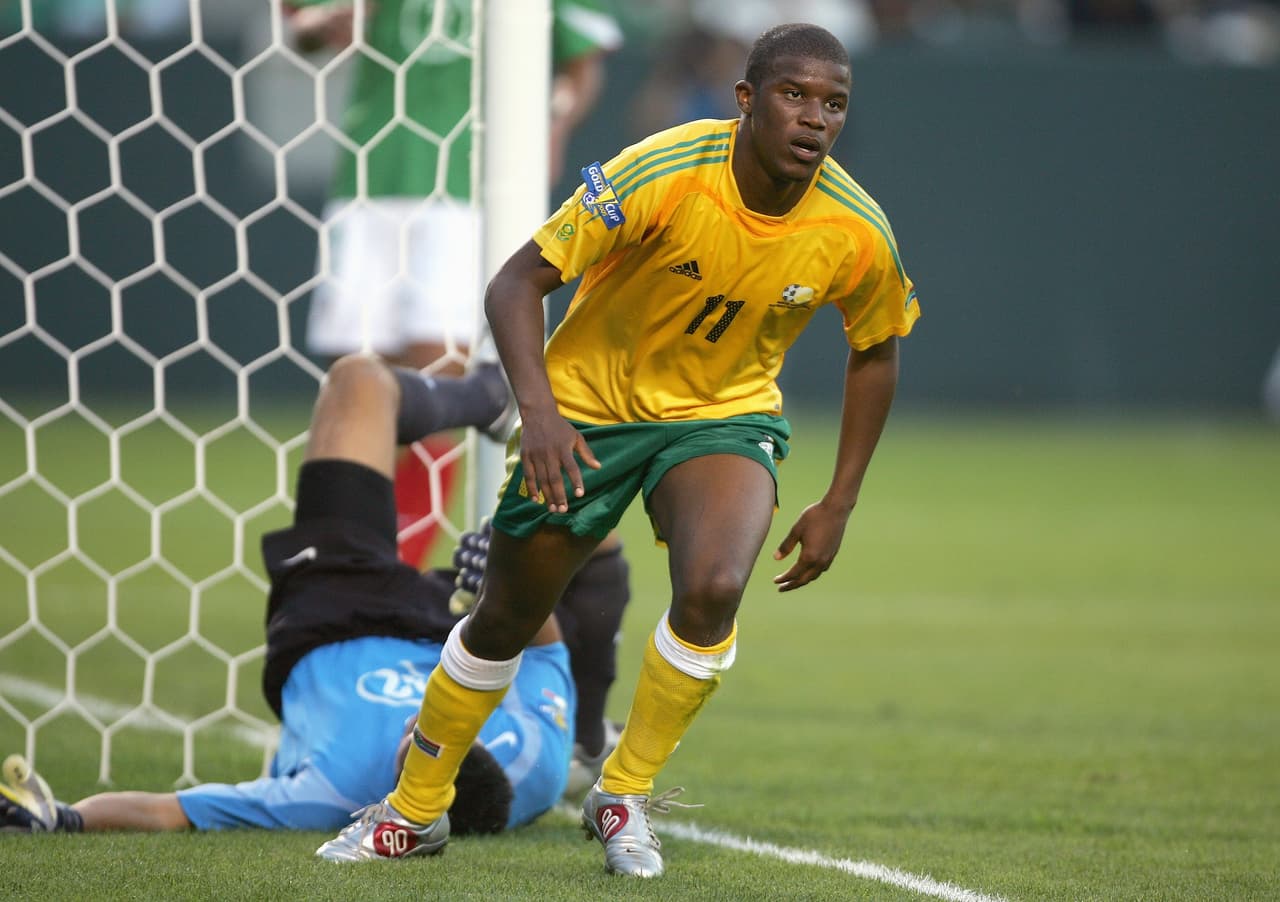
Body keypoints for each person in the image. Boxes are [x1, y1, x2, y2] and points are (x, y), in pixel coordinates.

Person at [317, 22, 921, 876]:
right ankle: (416, 810)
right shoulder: (664, 171)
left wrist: (840, 499)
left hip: (724, 416)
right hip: (590, 413)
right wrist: (541, 415)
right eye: (794, 96)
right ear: (746, 100)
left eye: (834, 104)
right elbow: (515, 282)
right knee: (504, 620)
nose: (815, 119)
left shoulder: (854, 227)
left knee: (714, 588)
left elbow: (878, 348)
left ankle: (622, 790)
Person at [0, 354, 631, 844]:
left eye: (414, 743)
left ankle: (484, 400)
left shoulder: (331, 792)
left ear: (404, 795)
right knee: (587, 509)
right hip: (453, 627)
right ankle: (491, 400)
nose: (423, 717)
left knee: (356, 384)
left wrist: (64, 819)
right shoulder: (536, 768)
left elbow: (170, 812)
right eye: (437, 731)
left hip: (333, 613)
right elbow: (546, 650)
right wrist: (506, 583)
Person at [287, 0, 623, 568]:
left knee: (436, 379)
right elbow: (303, 26)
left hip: (466, 190)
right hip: (368, 177)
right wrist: (315, 26)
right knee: (354, 388)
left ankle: (398, 569)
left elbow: (580, 62)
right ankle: (345, 567)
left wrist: (553, 125)